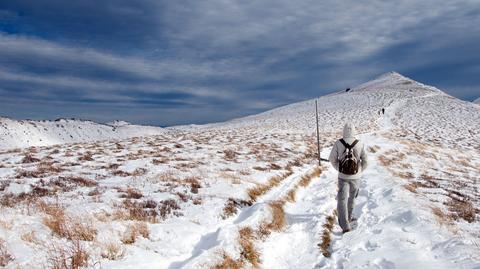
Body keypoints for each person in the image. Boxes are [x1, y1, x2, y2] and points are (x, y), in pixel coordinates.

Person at [328, 123, 368, 233]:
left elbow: (332, 159)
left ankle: (345, 226)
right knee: (352, 198)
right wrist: (359, 171)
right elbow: (366, 161)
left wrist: (339, 168)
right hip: (356, 177)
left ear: (344, 131)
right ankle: (349, 217)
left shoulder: (338, 143)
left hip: (342, 177)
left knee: (342, 199)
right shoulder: (359, 143)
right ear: (354, 131)